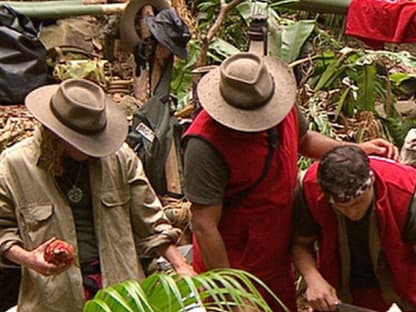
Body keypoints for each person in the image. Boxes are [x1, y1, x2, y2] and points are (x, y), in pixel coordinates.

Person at [182, 51, 399, 311]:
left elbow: (304, 140)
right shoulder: (205, 145)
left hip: (275, 254)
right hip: (234, 262)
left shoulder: (278, 103)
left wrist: (353, 150)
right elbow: (205, 225)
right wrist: (230, 293)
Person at [0, 78, 195, 312]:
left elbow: (151, 222)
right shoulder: (14, 166)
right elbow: (3, 232)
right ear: (58, 135)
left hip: (119, 292)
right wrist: (29, 259)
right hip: (54, 297)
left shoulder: (120, 158)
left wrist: (182, 266)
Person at [292, 145, 416, 311]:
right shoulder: (310, 189)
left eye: (357, 203)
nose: (352, 212)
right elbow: (300, 243)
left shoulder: (406, 193)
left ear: (371, 182)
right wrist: (313, 279)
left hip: (404, 280)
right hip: (342, 286)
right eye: (341, 207)